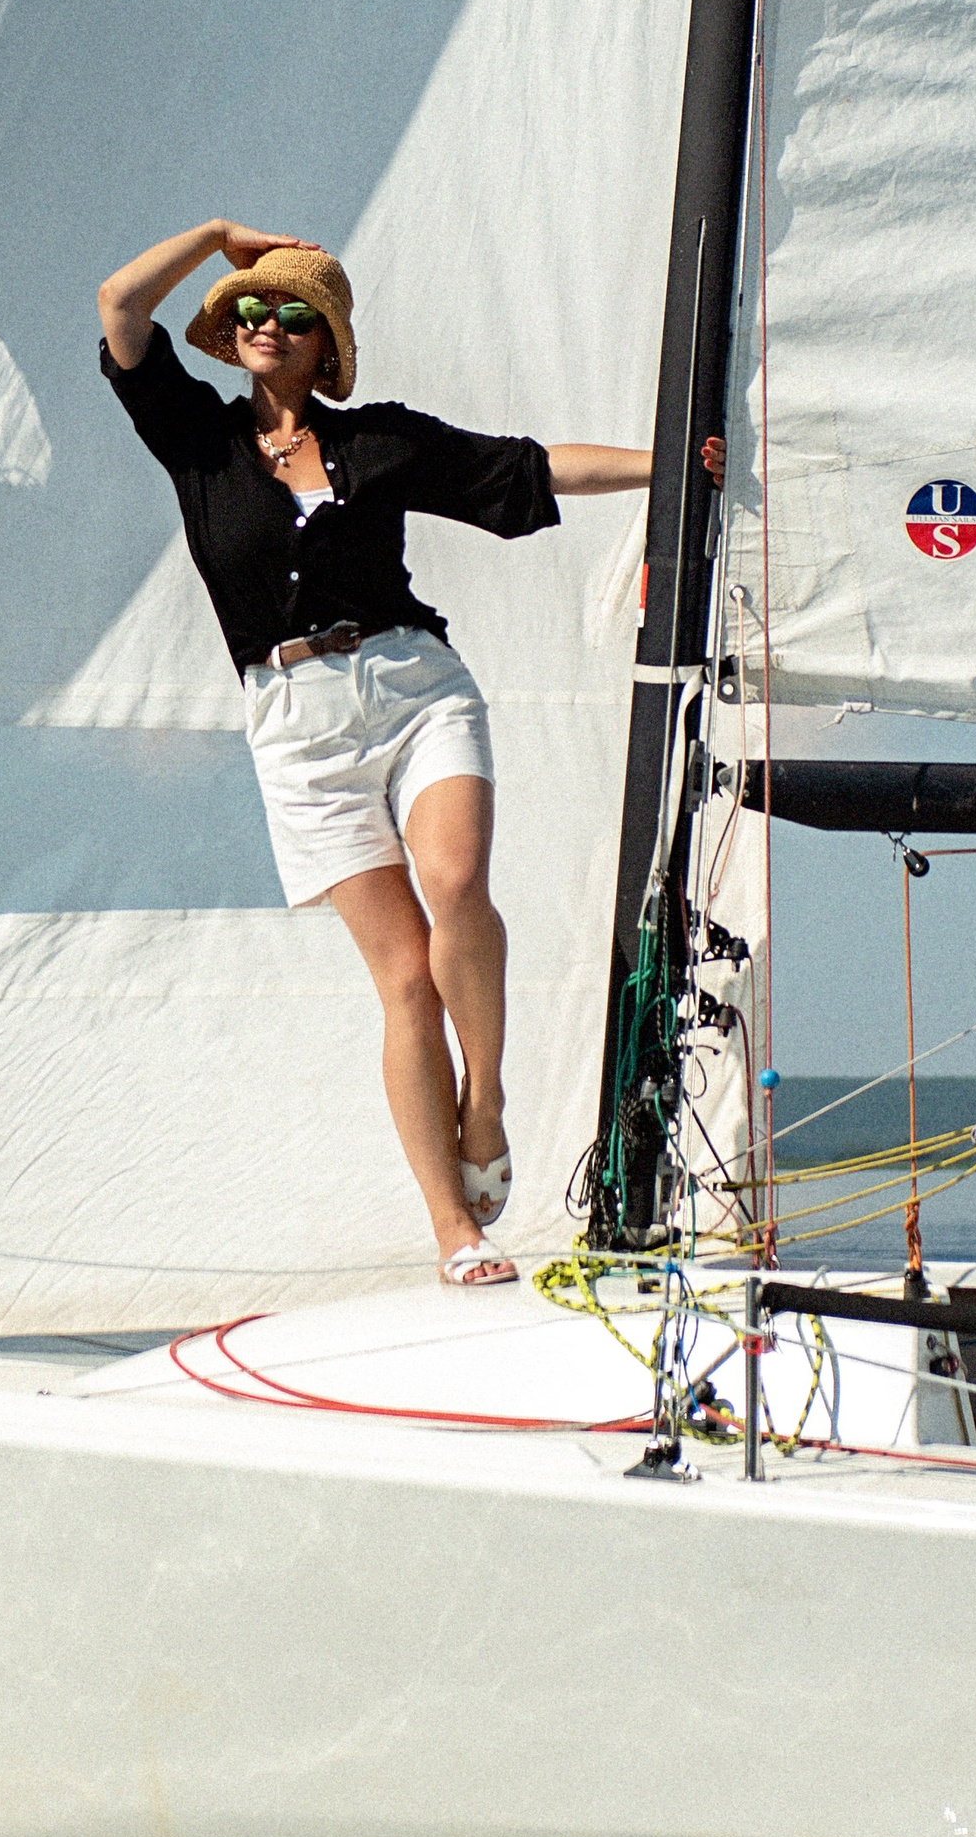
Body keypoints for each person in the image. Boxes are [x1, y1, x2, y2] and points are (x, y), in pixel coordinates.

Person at [98, 218, 720, 1286]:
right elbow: (118, 307)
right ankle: (453, 1226)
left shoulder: (377, 439)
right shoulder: (196, 440)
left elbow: (521, 469)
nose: (264, 323)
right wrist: (212, 238)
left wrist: (672, 467)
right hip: (295, 729)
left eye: (290, 312)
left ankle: (485, 1097)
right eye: (248, 309)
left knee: (457, 880)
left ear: (323, 340)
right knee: (400, 976)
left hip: (413, 689)